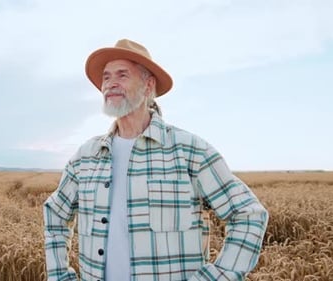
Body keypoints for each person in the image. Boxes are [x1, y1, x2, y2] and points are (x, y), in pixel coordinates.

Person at [43, 39, 269, 281]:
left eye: (122, 75)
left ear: (148, 85)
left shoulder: (189, 151)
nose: (111, 84)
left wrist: (216, 277)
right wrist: (60, 277)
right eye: (106, 77)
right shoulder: (85, 156)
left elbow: (249, 214)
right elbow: (54, 214)